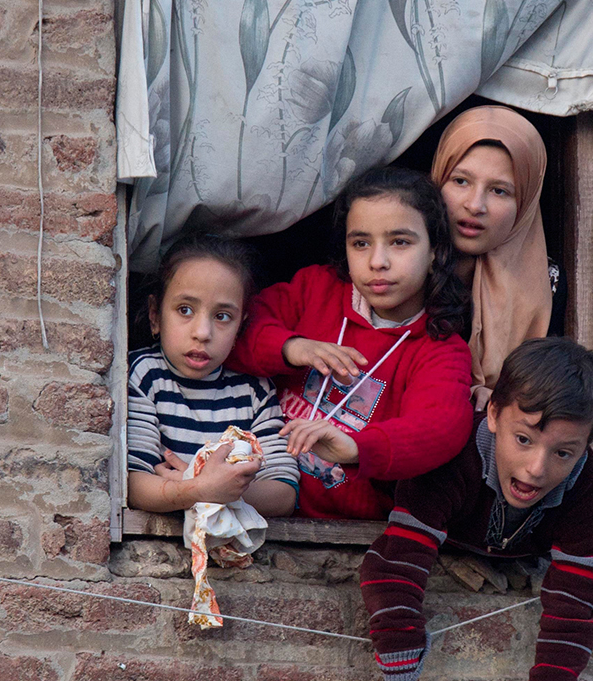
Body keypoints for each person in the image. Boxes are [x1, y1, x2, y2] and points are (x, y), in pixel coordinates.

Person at [361, 336, 593, 681]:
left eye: (564, 452)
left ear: (587, 445)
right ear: (493, 413)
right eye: (523, 439)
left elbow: (573, 621)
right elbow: (394, 571)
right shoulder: (448, 457)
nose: (537, 468)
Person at [228, 166, 474, 520]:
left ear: (435, 250)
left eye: (400, 242)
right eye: (361, 243)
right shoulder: (316, 289)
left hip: (340, 529)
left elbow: (441, 427)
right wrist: (291, 347)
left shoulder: (439, 348)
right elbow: (235, 327)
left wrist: (357, 447)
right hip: (257, 492)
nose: (377, 262)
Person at [126, 234, 299, 517]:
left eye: (222, 316)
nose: (203, 333)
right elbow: (133, 485)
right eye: (185, 310)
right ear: (155, 315)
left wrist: (215, 488)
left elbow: (283, 495)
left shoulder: (254, 390)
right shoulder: (144, 375)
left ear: (240, 326)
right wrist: (199, 489)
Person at [433, 105, 559, 407]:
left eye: (499, 191)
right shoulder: (402, 263)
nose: (475, 205)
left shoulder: (547, 281)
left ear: (526, 201)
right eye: (461, 181)